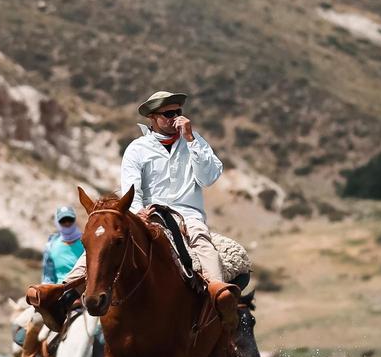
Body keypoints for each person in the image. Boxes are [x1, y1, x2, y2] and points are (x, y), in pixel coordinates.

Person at [27, 90, 231, 325]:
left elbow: (209, 177)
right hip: (148, 214)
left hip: (187, 213)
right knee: (103, 243)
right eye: (168, 114)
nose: (175, 119)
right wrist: (138, 213)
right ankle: (61, 291)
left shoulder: (194, 141)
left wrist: (192, 141)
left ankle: (218, 294)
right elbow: (131, 189)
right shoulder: (138, 149)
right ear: (153, 118)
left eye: (178, 113)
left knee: (201, 239)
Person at [14, 206, 84, 357]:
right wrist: (46, 293)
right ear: (58, 222)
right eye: (63, 221)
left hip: (82, 291)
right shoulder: (52, 245)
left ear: (74, 221)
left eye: (69, 220)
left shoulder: (85, 241)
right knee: (32, 323)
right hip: (57, 292)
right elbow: (47, 275)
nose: (67, 224)